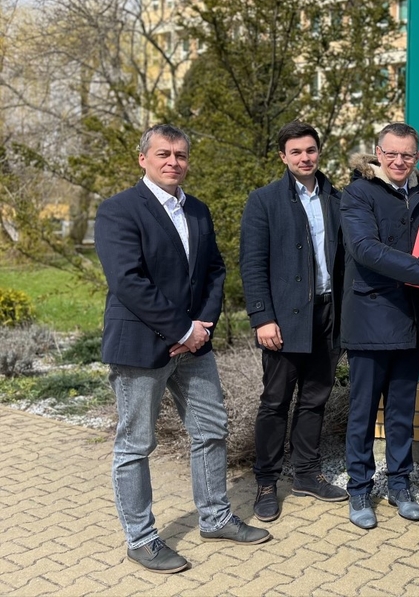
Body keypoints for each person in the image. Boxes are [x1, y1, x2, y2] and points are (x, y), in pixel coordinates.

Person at [95, 124, 270, 575]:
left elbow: (214, 270)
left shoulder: (198, 210)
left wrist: (201, 327)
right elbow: (128, 282)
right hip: (141, 346)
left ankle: (214, 517)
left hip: (195, 344)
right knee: (135, 445)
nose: (173, 162)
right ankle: (141, 539)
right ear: (143, 159)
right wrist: (180, 328)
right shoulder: (119, 210)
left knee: (211, 429)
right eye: (163, 154)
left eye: (180, 155)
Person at [340, 122, 419, 530]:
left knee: (402, 412)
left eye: (407, 155)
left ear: (417, 157)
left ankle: (400, 484)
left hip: (411, 319)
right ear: (377, 152)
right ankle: (359, 488)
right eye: (391, 153)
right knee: (362, 412)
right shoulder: (357, 193)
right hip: (370, 317)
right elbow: (364, 248)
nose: (398, 161)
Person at [240, 121, 348, 523]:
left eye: (311, 150)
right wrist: (262, 317)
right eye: (297, 152)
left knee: (316, 399)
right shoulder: (264, 201)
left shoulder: (337, 199)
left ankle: (306, 474)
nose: (305, 158)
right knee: (275, 402)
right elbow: (251, 265)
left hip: (328, 316)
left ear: (320, 152)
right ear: (283, 157)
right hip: (283, 321)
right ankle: (266, 483)